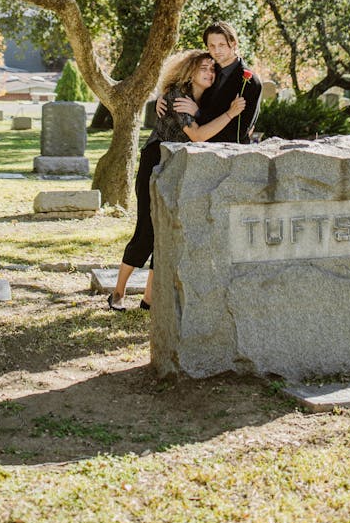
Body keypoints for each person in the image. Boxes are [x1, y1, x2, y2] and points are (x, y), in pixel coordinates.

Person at [107, 49, 244, 312]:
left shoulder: (205, 101)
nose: (209, 73)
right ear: (190, 72)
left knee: (167, 233)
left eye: (212, 69)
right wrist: (231, 113)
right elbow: (197, 136)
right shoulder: (178, 97)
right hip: (155, 164)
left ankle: (149, 299)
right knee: (146, 232)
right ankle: (117, 293)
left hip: (179, 169)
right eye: (203, 68)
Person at [170, 21, 263, 143]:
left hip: (229, 152)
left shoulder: (250, 82)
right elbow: (180, 86)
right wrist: (161, 100)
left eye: (221, 45)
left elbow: (239, 131)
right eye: (212, 46)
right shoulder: (209, 71)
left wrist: (198, 113)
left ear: (233, 44)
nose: (216, 50)